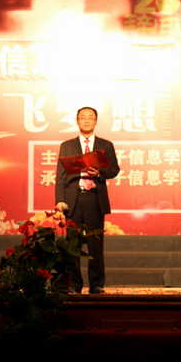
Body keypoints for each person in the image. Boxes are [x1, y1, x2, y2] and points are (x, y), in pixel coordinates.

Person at [55, 107, 120, 294]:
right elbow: (60, 175)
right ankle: (74, 284)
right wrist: (60, 200)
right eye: (82, 117)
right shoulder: (67, 145)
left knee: (95, 244)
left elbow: (114, 169)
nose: (86, 121)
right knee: (72, 244)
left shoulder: (105, 145)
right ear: (77, 121)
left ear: (96, 121)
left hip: (95, 198)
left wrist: (99, 173)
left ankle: (96, 283)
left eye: (90, 118)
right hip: (73, 200)